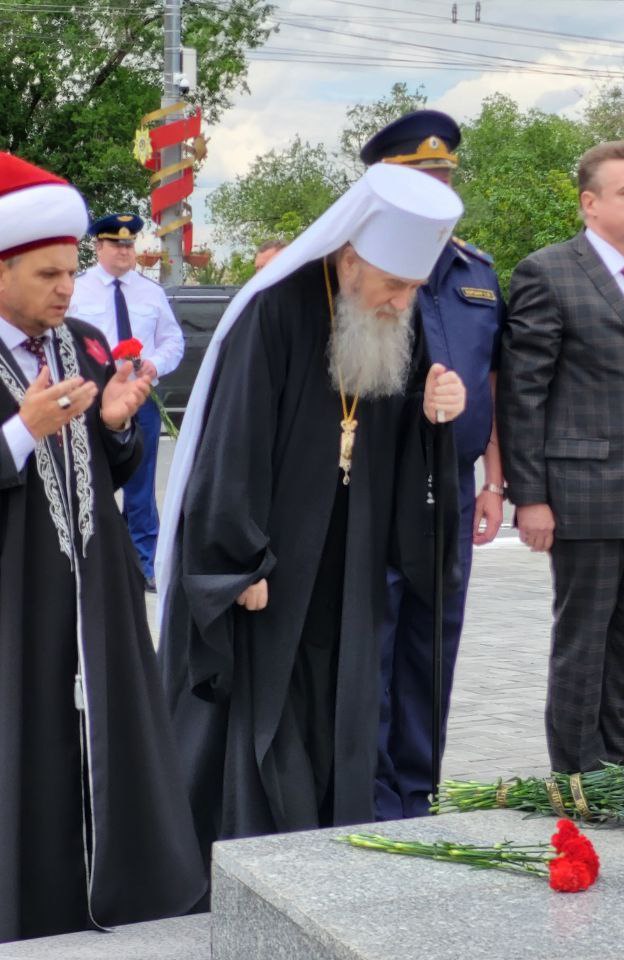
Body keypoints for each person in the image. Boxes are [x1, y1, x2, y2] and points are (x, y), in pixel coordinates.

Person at [157, 163, 467, 854]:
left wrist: (434, 417)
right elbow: (230, 446)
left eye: (415, 288)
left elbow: (403, 445)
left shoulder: (392, 321)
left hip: (346, 564)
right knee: (256, 726)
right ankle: (247, 862)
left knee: (339, 715)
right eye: (394, 285)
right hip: (267, 569)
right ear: (352, 260)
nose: (402, 302)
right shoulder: (275, 310)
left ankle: (327, 849)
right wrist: (237, 560)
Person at [0, 153, 203, 942]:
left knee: (112, 739)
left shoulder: (79, 343)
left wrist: (114, 424)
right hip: (17, 603)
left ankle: (128, 892)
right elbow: (34, 448)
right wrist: (23, 430)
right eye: (47, 273)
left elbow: (104, 473)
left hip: (98, 592)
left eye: (69, 270)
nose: (64, 288)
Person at [498, 140, 624, 774]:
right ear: (590, 204)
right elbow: (524, 392)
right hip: (583, 493)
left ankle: (614, 767)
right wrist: (529, 497)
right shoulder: (548, 272)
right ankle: (578, 778)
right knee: (584, 643)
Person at [360, 110, 507, 819]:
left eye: (447, 177)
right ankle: (372, 787)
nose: (440, 190)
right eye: (425, 178)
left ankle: (417, 787)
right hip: (378, 485)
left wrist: (495, 482)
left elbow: (493, 381)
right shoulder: (365, 266)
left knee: (434, 638)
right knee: (378, 637)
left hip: (451, 486)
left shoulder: (476, 271)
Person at [69, 213, 183, 591]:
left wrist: (155, 364)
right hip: (89, 400)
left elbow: (174, 342)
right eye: (116, 244)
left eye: (129, 244)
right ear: (97, 247)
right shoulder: (77, 290)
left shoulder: (151, 293)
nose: (124, 250)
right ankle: (90, 563)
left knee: (140, 485)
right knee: (89, 481)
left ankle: (143, 565)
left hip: (138, 399)